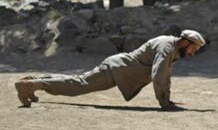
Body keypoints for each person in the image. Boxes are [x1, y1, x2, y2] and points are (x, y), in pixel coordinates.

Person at [14, 30, 206, 111]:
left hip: (119, 69)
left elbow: (164, 75)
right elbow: (159, 76)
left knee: (79, 81)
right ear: (186, 42)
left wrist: (167, 100)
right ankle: (31, 85)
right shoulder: (166, 47)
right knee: (79, 85)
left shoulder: (171, 47)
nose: (193, 52)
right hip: (117, 69)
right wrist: (165, 104)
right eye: (194, 48)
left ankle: (32, 82)